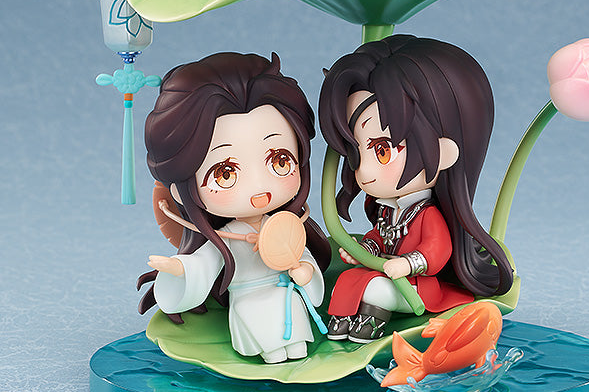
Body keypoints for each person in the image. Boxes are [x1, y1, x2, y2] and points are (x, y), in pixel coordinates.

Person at [137, 52, 330, 363]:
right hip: (248, 301)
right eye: (225, 173)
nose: (259, 188)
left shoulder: (285, 226)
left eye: (280, 160)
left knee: (295, 339)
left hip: (285, 295)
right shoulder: (227, 237)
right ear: (182, 187)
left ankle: (296, 348)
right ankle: (271, 355)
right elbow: (203, 265)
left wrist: (304, 272)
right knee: (268, 341)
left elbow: (301, 256)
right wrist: (180, 270)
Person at [319, 35, 513, 343]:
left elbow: (437, 250)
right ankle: (341, 322)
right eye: (355, 151)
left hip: (418, 285)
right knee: (348, 278)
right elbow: (379, 236)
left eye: (382, 150)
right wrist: (365, 251)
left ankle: (370, 323)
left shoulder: (427, 215)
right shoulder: (387, 210)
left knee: (377, 289)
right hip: (387, 271)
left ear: (444, 151)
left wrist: (408, 263)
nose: (364, 171)